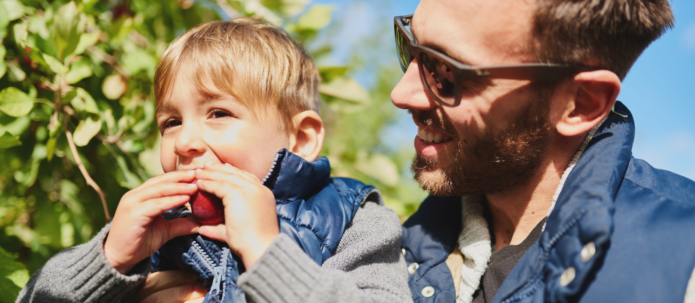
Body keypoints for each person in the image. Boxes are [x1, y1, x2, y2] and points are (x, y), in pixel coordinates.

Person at [17, 18, 411, 303]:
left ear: (301, 138)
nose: (185, 141)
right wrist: (108, 260)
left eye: (219, 113)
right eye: (171, 122)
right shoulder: (156, 230)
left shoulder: (351, 217)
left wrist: (265, 251)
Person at [392, 0, 695, 302]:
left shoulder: (683, 267)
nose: (401, 94)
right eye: (409, 47)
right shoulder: (390, 255)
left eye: (446, 72)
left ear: (580, 103)